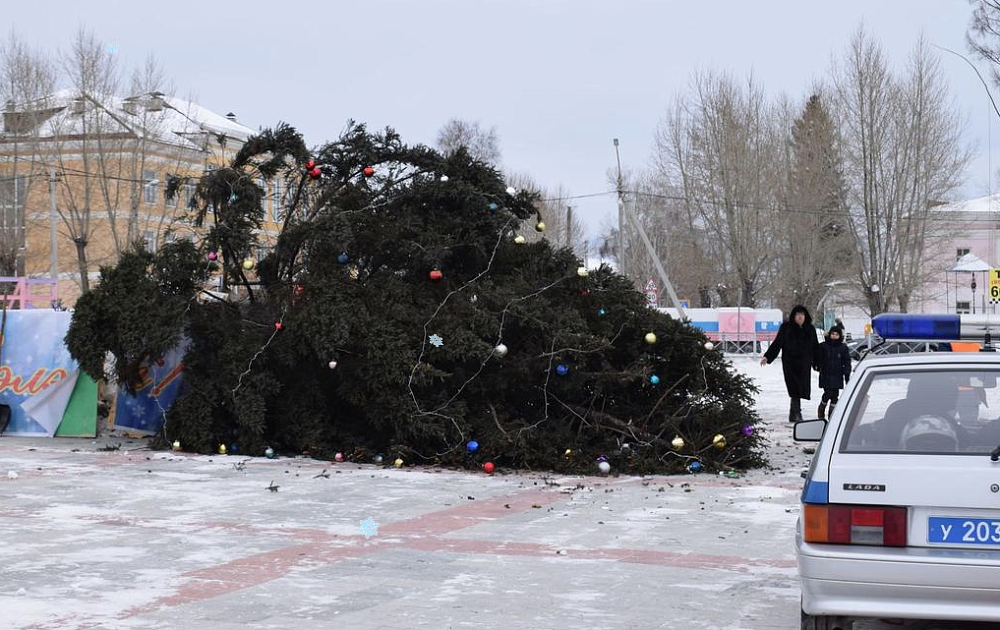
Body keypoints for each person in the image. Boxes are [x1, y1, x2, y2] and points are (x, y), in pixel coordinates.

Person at [761, 305, 819, 423]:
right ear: (793, 316)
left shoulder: (810, 329)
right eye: (797, 315)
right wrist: (768, 356)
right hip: (790, 364)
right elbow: (777, 343)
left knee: (801, 388)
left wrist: (817, 362)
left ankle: (793, 415)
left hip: (804, 364)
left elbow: (815, 347)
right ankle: (797, 413)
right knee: (794, 388)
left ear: (805, 316)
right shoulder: (786, 328)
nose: (800, 317)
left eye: (802, 315)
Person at [816, 325, 851, 420]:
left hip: (837, 375)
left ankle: (832, 416)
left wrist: (847, 374)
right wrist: (817, 366)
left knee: (835, 395)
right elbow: (817, 358)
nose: (834, 336)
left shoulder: (843, 347)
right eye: (833, 334)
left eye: (837, 334)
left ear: (840, 336)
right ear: (829, 334)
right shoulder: (823, 346)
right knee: (827, 393)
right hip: (826, 374)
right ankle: (821, 409)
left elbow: (847, 361)